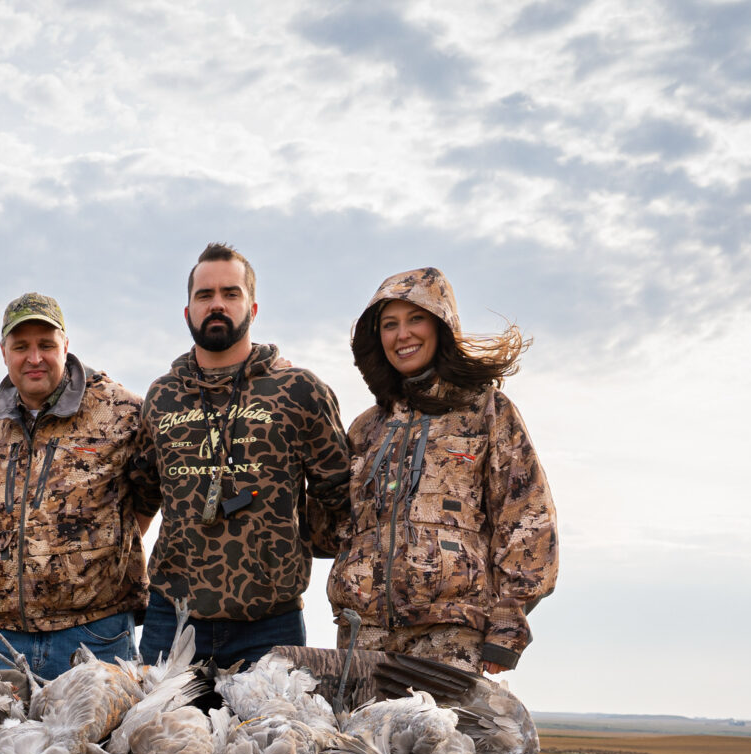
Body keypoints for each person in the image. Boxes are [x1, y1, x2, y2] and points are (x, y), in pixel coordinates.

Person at [327, 268, 557, 673]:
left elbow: (526, 517)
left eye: (416, 318)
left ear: (442, 326)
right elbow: (329, 528)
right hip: (363, 641)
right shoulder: (366, 428)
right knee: (360, 739)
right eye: (389, 324)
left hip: (451, 639)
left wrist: (506, 627)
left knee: (442, 739)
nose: (403, 335)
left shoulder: (487, 411)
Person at [140, 243, 351, 672]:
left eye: (230, 294)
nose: (217, 304)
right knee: (157, 739)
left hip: (270, 624)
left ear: (252, 308)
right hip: (172, 618)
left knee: (269, 738)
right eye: (205, 295)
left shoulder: (299, 391)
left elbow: (342, 498)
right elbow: (142, 499)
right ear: (188, 312)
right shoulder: (161, 397)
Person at [0, 292, 160, 680]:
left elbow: (148, 499)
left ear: (66, 347)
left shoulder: (120, 412)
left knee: (97, 741)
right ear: (3, 353)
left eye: (46, 345)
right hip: (5, 641)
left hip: (95, 635)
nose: (34, 358)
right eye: (21, 346)